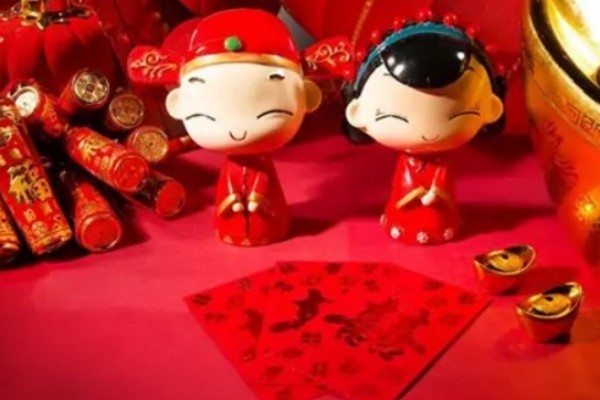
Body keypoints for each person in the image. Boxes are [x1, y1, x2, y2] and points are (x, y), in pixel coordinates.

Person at [128, 9, 334, 246]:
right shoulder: (234, 166)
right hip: (235, 216)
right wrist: (234, 198)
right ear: (177, 104)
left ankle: (265, 229)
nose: (238, 131)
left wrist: (256, 197)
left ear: (307, 97)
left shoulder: (258, 165)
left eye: (267, 112)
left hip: (270, 218)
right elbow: (232, 181)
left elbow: (261, 181)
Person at [344, 19, 505, 244]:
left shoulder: (441, 165)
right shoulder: (408, 162)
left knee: (437, 217)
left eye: (455, 114)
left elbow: (442, 187)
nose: (428, 134)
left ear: (492, 108)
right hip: (406, 210)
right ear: (356, 112)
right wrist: (418, 194)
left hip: (439, 214)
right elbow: (403, 189)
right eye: (398, 116)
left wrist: (434, 194)